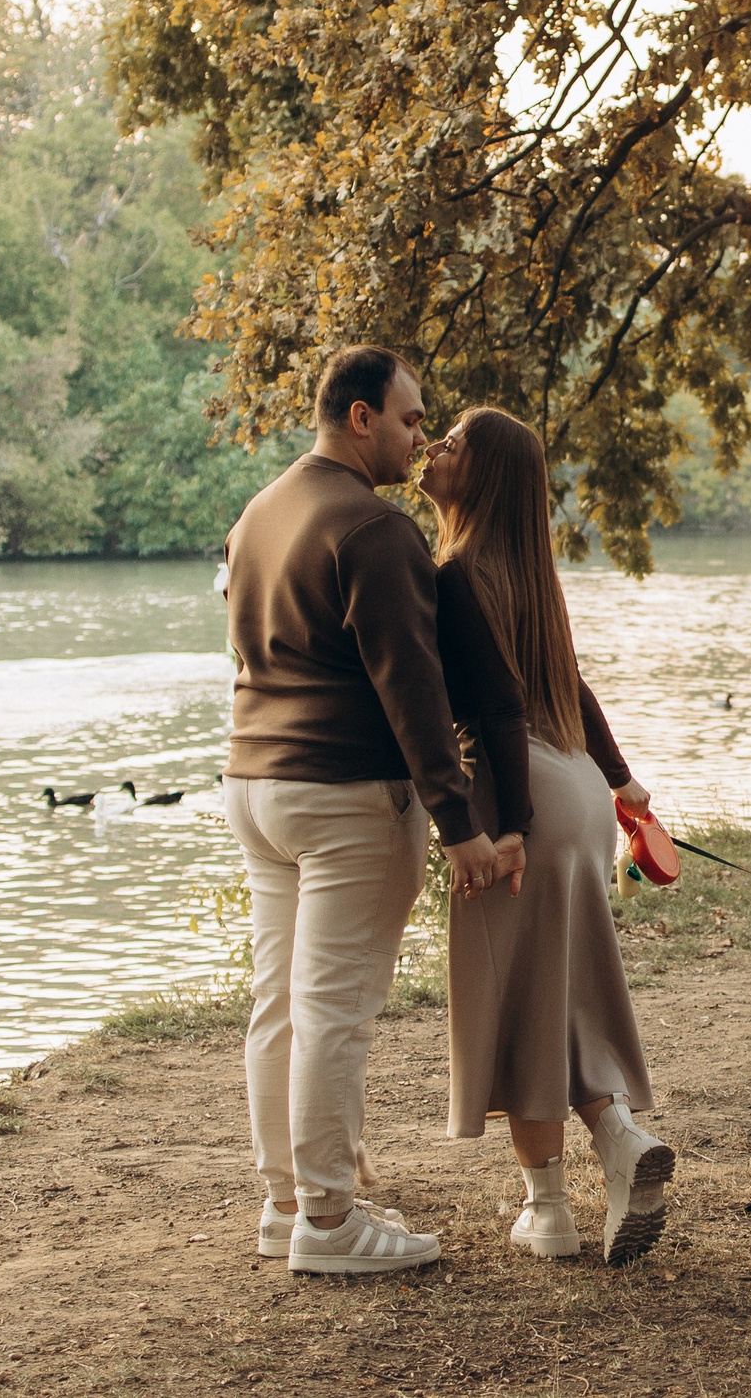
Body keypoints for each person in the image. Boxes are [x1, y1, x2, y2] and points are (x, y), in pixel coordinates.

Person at [221, 346, 513, 1276]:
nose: (420, 436)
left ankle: (286, 1202)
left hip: (254, 786)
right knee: (335, 1010)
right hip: (347, 792)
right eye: (412, 419)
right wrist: (460, 823)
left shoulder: (258, 513)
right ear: (360, 418)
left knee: (281, 1005)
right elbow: (412, 689)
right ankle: (331, 1222)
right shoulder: (376, 531)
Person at [418, 405, 674, 1267]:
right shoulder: (530, 573)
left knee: (519, 1007)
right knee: (555, 990)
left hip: (518, 794)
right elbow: (576, 684)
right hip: (575, 787)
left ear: (480, 475)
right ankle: (618, 1138)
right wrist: (622, 782)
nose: (433, 449)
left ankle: (550, 1211)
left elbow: (491, 713)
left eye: (450, 443)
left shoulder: (455, 574)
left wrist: (510, 826)